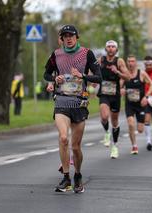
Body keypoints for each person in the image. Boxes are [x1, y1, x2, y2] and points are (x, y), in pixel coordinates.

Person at [44, 25, 102, 193]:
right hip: (61, 101)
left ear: (77, 37)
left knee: (75, 147)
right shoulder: (56, 55)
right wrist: (55, 78)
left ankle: (77, 175)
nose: (68, 38)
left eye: (71, 35)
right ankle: (66, 178)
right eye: (65, 36)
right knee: (63, 138)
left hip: (79, 103)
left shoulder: (87, 54)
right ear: (61, 38)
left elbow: (99, 77)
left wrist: (82, 76)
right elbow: (46, 74)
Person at [97, 40, 130, 159]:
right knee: (105, 117)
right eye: (109, 46)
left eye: (113, 47)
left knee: (114, 121)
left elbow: (128, 77)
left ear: (116, 49)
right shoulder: (101, 60)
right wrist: (93, 81)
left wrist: (118, 72)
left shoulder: (119, 61)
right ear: (106, 49)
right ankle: (106, 132)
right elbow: (92, 71)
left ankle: (115, 146)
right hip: (104, 93)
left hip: (115, 94)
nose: (111, 48)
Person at [121, 55, 152, 154]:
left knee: (140, 129)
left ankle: (147, 136)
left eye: (132, 61)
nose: (131, 63)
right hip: (129, 104)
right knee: (131, 124)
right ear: (127, 63)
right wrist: (121, 89)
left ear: (135, 63)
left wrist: (146, 96)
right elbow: (119, 86)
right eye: (129, 61)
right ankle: (134, 146)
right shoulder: (125, 74)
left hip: (141, 104)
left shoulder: (142, 73)